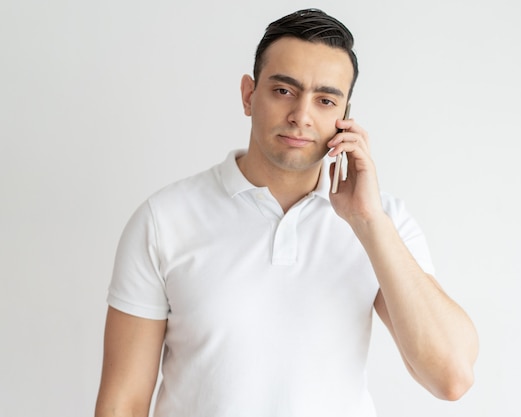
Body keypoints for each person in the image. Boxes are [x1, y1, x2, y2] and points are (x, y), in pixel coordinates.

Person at [95, 8, 478, 417]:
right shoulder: (164, 220)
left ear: (346, 117)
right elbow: (124, 401)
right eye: (283, 91)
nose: (301, 115)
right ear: (248, 94)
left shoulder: (383, 222)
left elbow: (451, 377)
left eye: (325, 100)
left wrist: (369, 223)